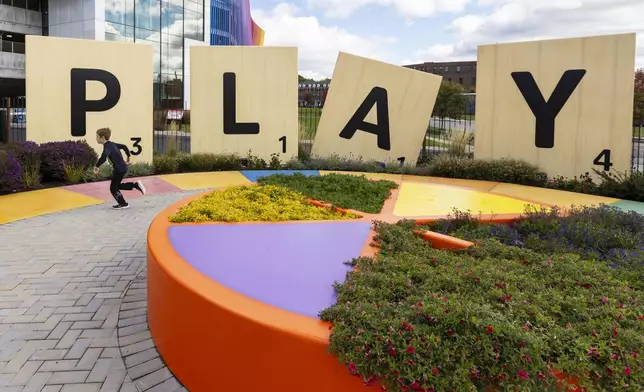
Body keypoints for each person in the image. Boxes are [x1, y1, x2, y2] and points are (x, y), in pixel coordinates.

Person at [93, 127, 145, 210]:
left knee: (113, 188)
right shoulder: (112, 144)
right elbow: (124, 146)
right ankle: (135, 185)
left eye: (97, 137)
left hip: (119, 170)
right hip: (122, 168)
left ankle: (123, 203)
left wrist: (97, 166)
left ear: (102, 138)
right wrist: (128, 156)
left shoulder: (107, 147)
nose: (96, 139)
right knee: (117, 186)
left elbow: (103, 157)